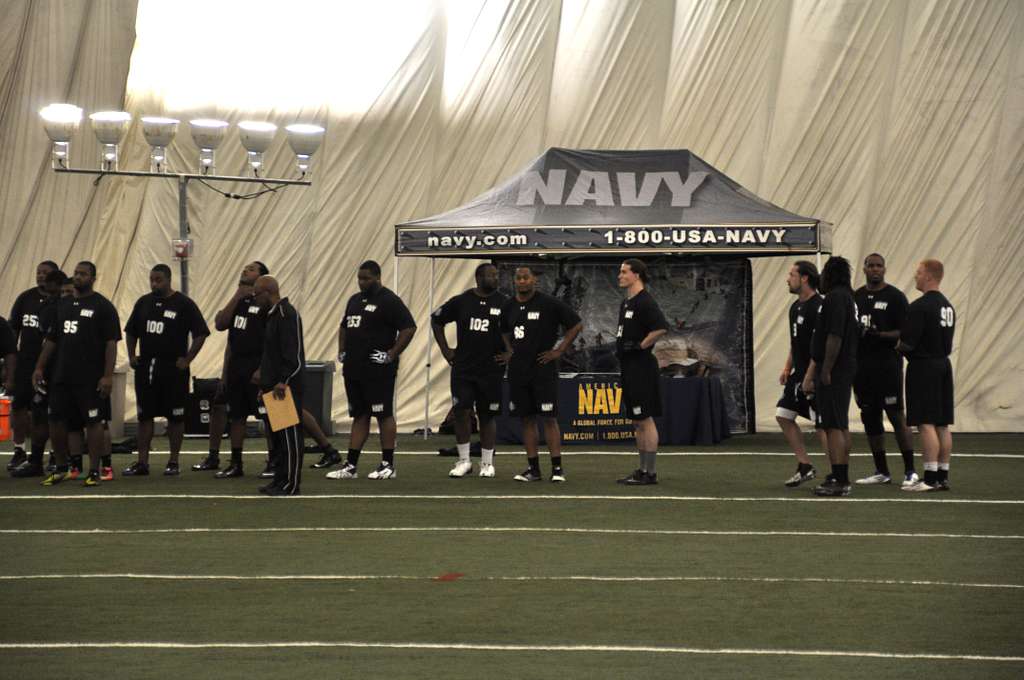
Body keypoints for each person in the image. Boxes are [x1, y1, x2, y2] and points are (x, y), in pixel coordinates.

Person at [33, 261, 121, 487]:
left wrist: (108, 375)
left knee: (93, 422)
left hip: (89, 377)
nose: (78, 277)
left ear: (93, 278)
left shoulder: (103, 306)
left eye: (83, 274)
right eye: (76, 273)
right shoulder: (63, 306)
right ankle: (62, 467)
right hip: (62, 376)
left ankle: (94, 470)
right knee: (56, 420)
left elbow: (111, 343)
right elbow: (52, 340)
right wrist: (39, 367)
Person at [328, 260, 416, 480]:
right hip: (354, 369)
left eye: (366, 278)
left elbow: (409, 327)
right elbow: (344, 326)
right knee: (360, 415)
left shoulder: (389, 300)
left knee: (383, 414)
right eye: (359, 278)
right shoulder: (354, 300)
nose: (362, 282)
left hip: (378, 371)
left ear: (378, 277)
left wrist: (391, 354)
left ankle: (388, 464)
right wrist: (342, 350)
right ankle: (351, 466)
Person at [122, 264, 210, 476]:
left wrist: (188, 359)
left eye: (158, 279)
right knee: (145, 417)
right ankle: (142, 462)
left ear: (169, 279)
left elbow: (201, 333)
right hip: (147, 369)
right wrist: (132, 354)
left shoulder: (184, 304)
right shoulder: (143, 303)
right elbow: (131, 331)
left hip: (173, 370)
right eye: (151, 279)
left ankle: (173, 461)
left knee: (176, 417)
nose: (154, 283)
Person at [502, 266, 582, 483]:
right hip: (519, 372)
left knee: (549, 418)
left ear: (534, 280)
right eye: (518, 278)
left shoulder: (548, 303)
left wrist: (559, 350)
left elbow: (576, 325)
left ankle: (557, 469)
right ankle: (533, 469)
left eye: (526, 278)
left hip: (543, 370)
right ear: (514, 281)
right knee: (526, 420)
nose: (522, 281)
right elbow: (503, 330)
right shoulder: (508, 306)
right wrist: (510, 350)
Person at [431, 263, 509, 478]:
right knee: (462, 412)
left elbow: (517, 329)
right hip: (464, 368)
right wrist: (446, 350)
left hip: (491, 369)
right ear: (478, 277)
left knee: (487, 415)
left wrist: (511, 353)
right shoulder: (461, 301)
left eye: (497, 275)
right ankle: (464, 461)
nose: (496, 278)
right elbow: (436, 320)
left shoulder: (504, 302)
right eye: (492, 275)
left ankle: (487, 463)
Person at [196, 262, 271, 479]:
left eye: (252, 269)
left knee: (270, 417)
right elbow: (220, 324)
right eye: (245, 268)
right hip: (237, 368)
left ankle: (274, 460)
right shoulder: (240, 301)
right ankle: (236, 463)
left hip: (258, 366)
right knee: (236, 416)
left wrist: (263, 369)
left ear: (262, 277)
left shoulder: (267, 303)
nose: (245, 270)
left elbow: (271, 341)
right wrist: (238, 294)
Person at [852, 253, 917, 488]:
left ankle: (910, 470)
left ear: (885, 269)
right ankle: (882, 471)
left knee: (896, 416)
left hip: (888, 366)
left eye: (879, 266)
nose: (875, 269)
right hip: (862, 368)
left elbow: (906, 331)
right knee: (870, 417)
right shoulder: (856, 296)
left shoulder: (896, 297)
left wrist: (879, 335)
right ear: (864, 269)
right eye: (871, 266)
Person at [802, 256, 859, 497]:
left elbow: (835, 335)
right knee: (840, 424)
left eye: (825, 272)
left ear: (831, 275)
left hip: (835, 369)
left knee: (833, 425)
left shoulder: (836, 297)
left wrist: (825, 369)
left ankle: (840, 479)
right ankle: (839, 474)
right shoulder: (848, 297)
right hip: (844, 367)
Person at [898, 259, 955, 492]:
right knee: (942, 423)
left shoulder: (920, 306)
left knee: (925, 422)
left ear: (930, 276)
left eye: (919, 273)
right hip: (943, 364)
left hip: (923, 367)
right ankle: (942, 475)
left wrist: (895, 345)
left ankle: (929, 478)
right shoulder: (948, 306)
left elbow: (907, 344)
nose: (916, 276)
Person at [614, 259, 669, 485]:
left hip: (641, 367)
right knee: (637, 421)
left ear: (637, 275)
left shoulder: (645, 301)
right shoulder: (627, 303)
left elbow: (660, 327)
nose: (620, 275)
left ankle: (651, 472)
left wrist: (640, 345)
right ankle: (642, 469)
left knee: (645, 419)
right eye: (620, 271)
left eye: (624, 272)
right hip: (628, 366)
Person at [252, 276, 306, 495]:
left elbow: (293, 354)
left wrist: (284, 381)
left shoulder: (286, 315)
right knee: (279, 439)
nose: (255, 300)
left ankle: (291, 483)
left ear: (267, 292)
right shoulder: (272, 316)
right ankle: (279, 479)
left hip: (284, 387)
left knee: (290, 436)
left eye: (256, 295)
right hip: (272, 386)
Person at [777, 261, 829, 487]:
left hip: (815, 375)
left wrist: (810, 376)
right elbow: (794, 342)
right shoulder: (794, 307)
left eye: (791, 274)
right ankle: (804, 465)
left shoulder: (820, 307)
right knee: (783, 415)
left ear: (805, 278)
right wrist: (787, 367)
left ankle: (836, 472)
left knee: (823, 426)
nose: (788, 279)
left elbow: (821, 347)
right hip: (798, 374)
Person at [9, 269, 64, 477]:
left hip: (58, 369)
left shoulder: (64, 307)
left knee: (57, 416)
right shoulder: (31, 300)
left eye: (53, 292)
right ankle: (34, 458)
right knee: (37, 413)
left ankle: (58, 460)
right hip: (36, 367)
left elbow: (52, 342)